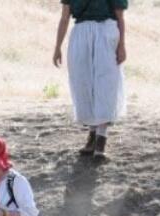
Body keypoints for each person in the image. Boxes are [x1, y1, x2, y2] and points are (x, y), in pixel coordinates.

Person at [52, 0, 128, 157]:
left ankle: (101, 137)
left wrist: (122, 45)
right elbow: (65, 16)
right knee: (83, 84)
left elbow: (120, 16)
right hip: (81, 32)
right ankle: (92, 134)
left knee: (106, 83)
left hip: (106, 30)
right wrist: (57, 47)